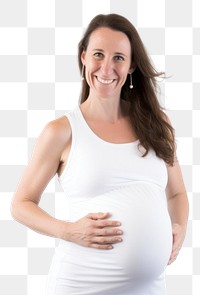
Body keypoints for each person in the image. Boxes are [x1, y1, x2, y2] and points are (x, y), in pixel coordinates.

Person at [11, 13, 189, 295]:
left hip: (150, 288)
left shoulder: (158, 124)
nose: (107, 68)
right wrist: (68, 231)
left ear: (131, 66)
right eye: (98, 54)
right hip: (81, 284)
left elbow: (177, 193)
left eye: (119, 57)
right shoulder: (61, 131)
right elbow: (21, 204)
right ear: (83, 57)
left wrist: (180, 226)